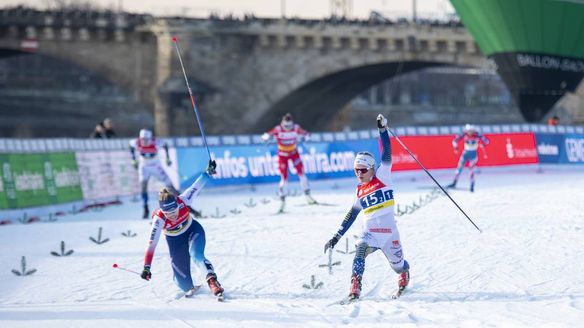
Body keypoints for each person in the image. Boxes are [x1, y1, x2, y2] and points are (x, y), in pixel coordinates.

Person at [323, 114, 410, 301]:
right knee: (360, 249)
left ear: (372, 168)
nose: (359, 174)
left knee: (398, 266)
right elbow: (351, 215)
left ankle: (404, 272)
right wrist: (336, 236)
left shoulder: (383, 175)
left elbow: (386, 152)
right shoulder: (359, 191)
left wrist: (382, 130)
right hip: (370, 232)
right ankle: (355, 284)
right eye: (356, 170)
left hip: (389, 233)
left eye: (363, 170)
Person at [140, 160, 225, 299]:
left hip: (193, 230)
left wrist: (208, 171)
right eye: (168, 213)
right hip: (175, 241)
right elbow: (151, 245)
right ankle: (189, 286)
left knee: (196, 255)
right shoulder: (159, 219)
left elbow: (196, 186)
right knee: (183, 283)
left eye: (174, 210)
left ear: (177, 204)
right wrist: (146, 267)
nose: (172, 215)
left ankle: (212, 281)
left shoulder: (184, 200)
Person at [261, 113, 316, 211]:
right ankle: (282, 200)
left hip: (294, 154)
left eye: (289, 126)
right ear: (282, 124)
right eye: (286, 126)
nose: (288, 128)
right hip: (283, 156)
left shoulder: (296, 128)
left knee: (301, 174)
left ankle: (308, 195)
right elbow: (266, 135)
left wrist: (306, 137)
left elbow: (307, 134)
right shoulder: (278, 129)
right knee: (284, 178)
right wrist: (266, 138)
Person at [129, 128, 178, 218]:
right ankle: (145, 208)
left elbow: (165, 145)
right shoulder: (136, 142)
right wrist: (133, 160)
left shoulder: (156, 142)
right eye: (142, 139)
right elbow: (130, 146)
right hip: (144, 166)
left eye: (146, 139)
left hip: (156, 166)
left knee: (169, 185)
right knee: (143, 186)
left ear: (150, 138)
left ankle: (182, 202)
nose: (144, 141)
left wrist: (167, 158)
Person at [446, 124, 489, 192]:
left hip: (473, 154)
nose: (470, 132)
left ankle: (472, 184)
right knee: (459, 168)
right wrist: (456, 148)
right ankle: (454, 182)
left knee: (471, 169)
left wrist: (482, 144)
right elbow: (454, 141)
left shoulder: (477, 134)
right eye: (469, 131)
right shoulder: (464, 134)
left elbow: (486, 141)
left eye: (471, 131)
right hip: (465, 153)